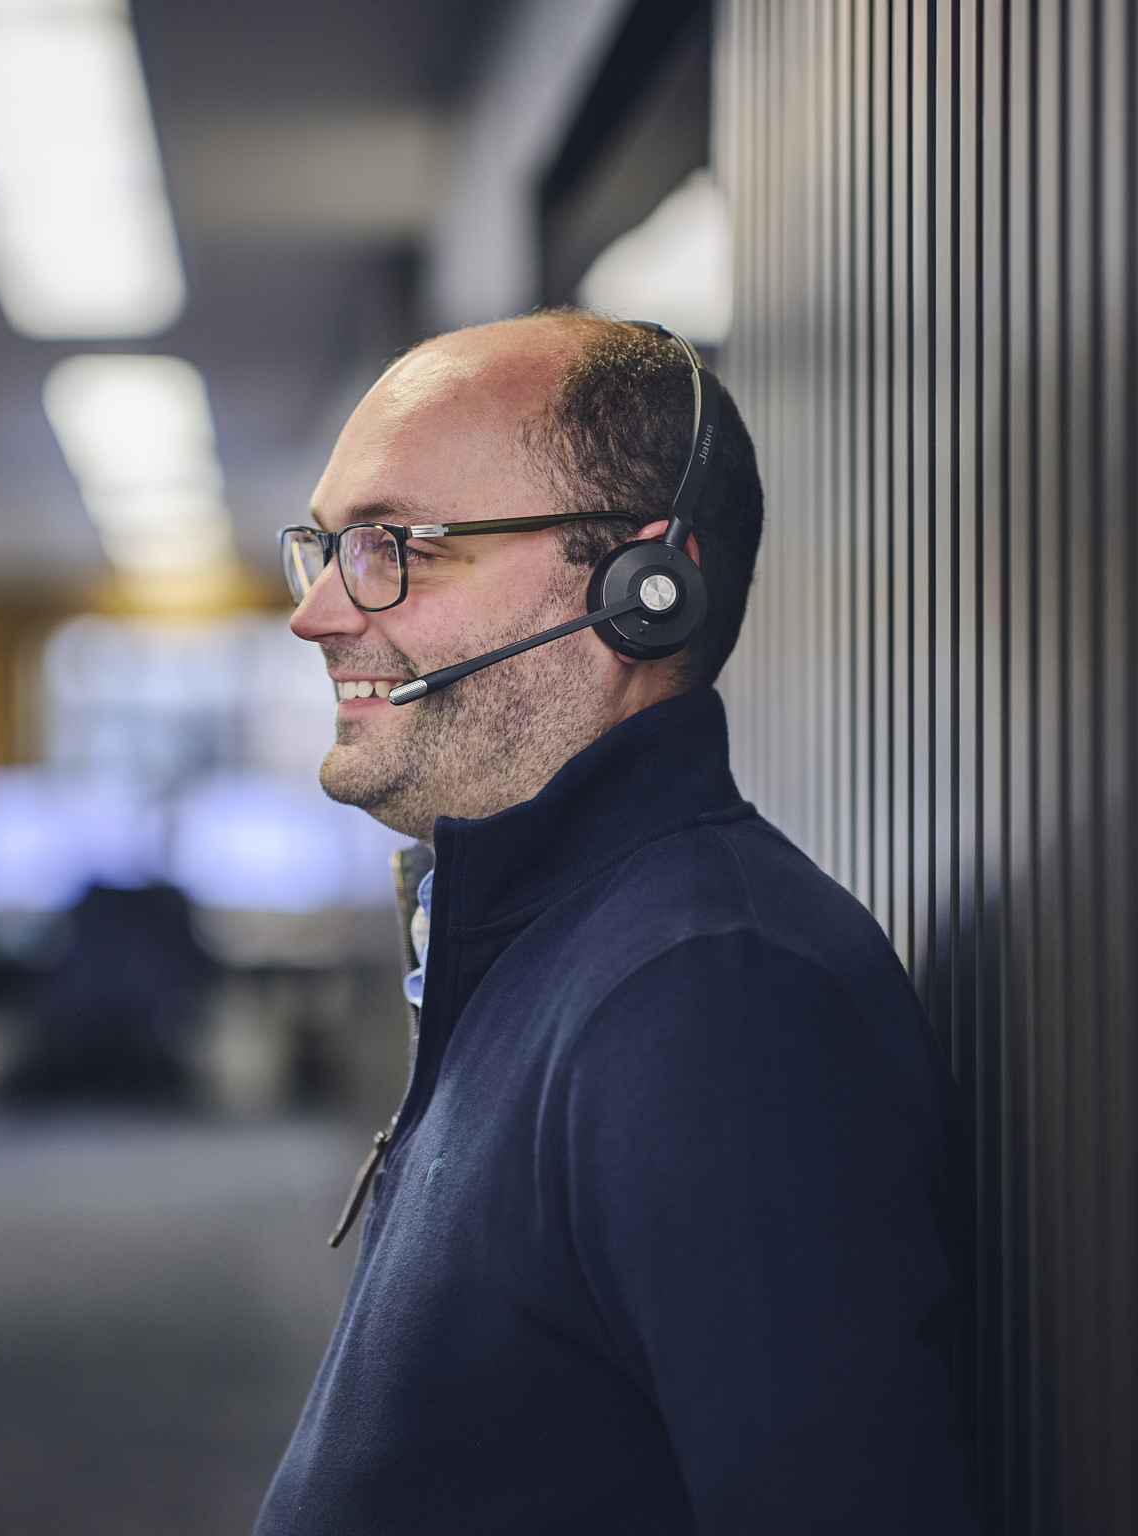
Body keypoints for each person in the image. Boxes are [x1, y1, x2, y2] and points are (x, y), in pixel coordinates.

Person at [256, 311, 974, 1533]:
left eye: (389, 547)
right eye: (322, 548)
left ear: (642, 587)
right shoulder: (539, 939)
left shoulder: (711, 999)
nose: (317, 614)